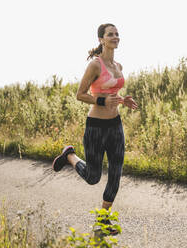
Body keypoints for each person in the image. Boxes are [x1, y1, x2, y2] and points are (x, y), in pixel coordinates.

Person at [52, 23, 137, 235]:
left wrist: (122, 100)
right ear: (101, 39)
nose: (115, 37)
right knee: (93, 177)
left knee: (116, 175)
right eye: (110, 34)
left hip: (115, 125)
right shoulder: (95, 65)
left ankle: (102, 221)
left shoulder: (119, 66)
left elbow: (112, 95)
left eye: (117, 34)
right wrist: (101, 100)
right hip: (96, 128)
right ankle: (69, 155)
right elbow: (80, 94)